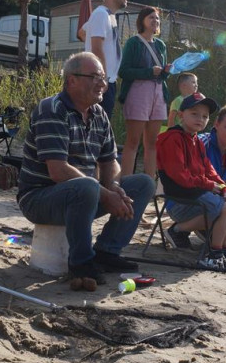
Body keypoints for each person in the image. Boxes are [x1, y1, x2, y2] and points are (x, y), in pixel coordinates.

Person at [17, 52, 155, 286]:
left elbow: (110, 161)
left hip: (86, 194)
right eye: (95, 77)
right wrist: (105, 193)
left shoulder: (99, 114)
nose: (103, 83)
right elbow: (58, 171)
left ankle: (107, 252)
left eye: (103, 77)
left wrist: (113, 187)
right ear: (72, 81)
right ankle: (81, 264)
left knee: (143, 184)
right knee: (87, 186)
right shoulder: (52, 109)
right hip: (39, 198)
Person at [156, 93, 226, 270]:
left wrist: (224, 187)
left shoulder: (196, 141)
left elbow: (209, 170)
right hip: (180, 199)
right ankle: (213, 255)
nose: (200, 119)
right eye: (194, 114)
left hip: (194, 194)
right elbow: (181, 176)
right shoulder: (172, 139)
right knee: (225, 208)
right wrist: (212, 186)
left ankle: (224, 252)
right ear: (181, 115)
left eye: (204, 116)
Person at [117, 7, 170, 176]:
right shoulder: (134, 42)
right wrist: (148, 72)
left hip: (158, 92)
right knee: (133, 142)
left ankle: (149, 184)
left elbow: (162, 76)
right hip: (138, 92)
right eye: (151, 17)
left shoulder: (161, 45)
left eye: (157, 19)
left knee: (153, 142)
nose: (155, 21)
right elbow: (123, 71)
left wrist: (166, 71)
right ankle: (125, 182)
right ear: (142, 21)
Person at [83, 0, 137, 117]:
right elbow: (96, 48)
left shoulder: (108, 16)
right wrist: (103, 78)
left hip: (106, 81)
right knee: (96, 126)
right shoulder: (101, 14)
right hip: (100, 81)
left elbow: (82, 32)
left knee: (100, 126)